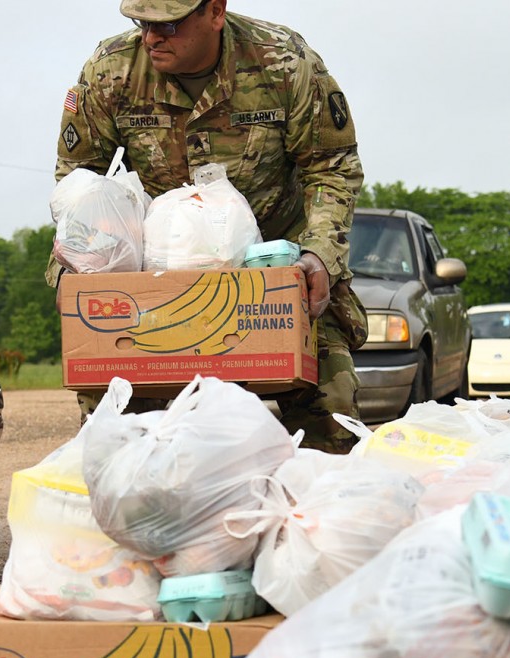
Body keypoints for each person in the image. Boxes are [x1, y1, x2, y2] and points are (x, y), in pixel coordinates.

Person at [46, 0, 368, 453]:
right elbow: (79, 179)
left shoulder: (283, 62)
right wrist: (77, 267)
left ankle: (315, 514)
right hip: (158, 275)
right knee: (113, 434)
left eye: (169, 25)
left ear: (215, 12)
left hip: (274, 272)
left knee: (331, 418)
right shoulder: (111, 70)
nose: (151, 37)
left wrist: (319, 255)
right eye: (142, 23)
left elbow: (331, 166)